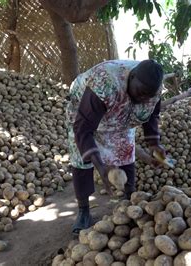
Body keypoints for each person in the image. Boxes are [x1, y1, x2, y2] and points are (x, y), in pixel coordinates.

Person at [65, 59, 166, 234]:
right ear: (132, 76)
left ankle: (130, 198)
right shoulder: (105, 83)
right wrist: (100, 165)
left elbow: (151, 115)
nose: (143, 98)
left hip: (119, 115)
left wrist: (154, 144)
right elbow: (83, 128)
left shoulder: (153, 91)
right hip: (86, 107)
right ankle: (83, 211)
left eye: (147, 96)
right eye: (140, 92)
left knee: (124, 149)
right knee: (82, 159)